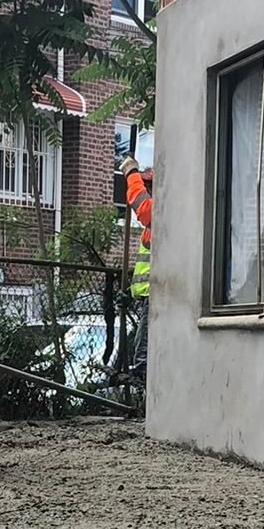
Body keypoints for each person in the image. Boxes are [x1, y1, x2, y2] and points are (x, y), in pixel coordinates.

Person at [121, 153, 153, 386]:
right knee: (144, 341)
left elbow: (143, 208)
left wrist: (131, 174)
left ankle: (143, 376)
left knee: (145, 346)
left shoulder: (162, 209)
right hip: (149, 293)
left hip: (157, 293)